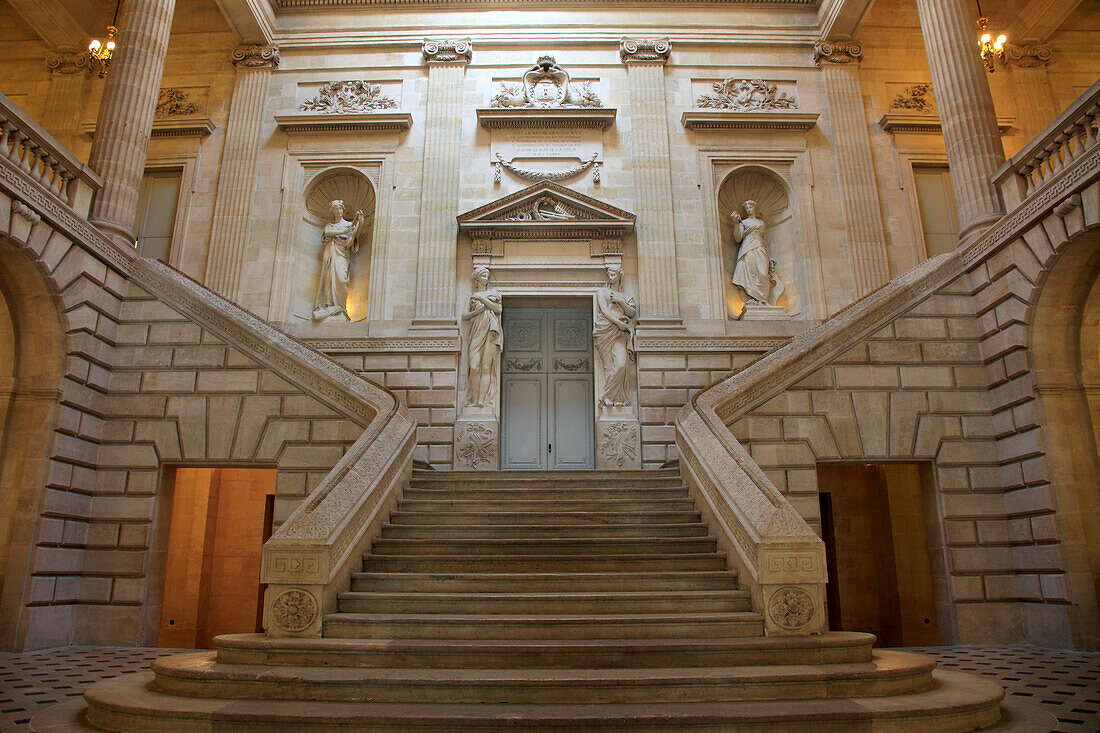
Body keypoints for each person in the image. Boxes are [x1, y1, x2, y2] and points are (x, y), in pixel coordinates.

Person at [593, 265, 637, 407]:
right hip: (605, 331)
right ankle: (611, 400)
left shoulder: (626, 297)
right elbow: (605, 311)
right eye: (609, 274)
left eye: (613, 274)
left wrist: (620, 301)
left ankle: (607, 395)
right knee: (609, 366)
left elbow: (631, 313)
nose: (610, 276)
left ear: (620, 276)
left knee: (621, 364)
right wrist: (619, 323)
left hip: (619, 334)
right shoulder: (602, 292)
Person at [312, 200, 364, 321]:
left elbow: (353, 237)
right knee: (328, 278)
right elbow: (327, 232)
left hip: (342, 255)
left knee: (341, 279)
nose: (338, 212)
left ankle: (340, 306)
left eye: (339, 209)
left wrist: (360, 221)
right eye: (335, 210)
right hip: (331, 253)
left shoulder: (348, 224)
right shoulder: (330, 226)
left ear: (343, 210)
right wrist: (345, 231)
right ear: (332, 212)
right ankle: (328, 304)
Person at [461, 266, 503, 408]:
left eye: (487, 276)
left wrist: (481, 298)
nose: (486, 278)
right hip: (476, 332)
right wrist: (476, 312)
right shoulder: (471, 295)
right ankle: (473, 399)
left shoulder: (492, 293)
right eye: (484, 276)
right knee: (474, 366)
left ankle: (481, 401)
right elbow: (464, 316)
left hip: (491, 334)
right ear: (477, 278)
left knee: (486, 368)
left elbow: (498, 309)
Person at [730, 199, 773, 305]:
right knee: (751, 272)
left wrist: (768, 255)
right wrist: (736, 223)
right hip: (748, 248)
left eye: (751, 207)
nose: (749, 210)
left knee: (763, 273)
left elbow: (763, 239)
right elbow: (738, 238)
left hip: (760, 247)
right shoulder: (743, 222)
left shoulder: (760, 223)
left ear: (754, 208)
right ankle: (753, 299)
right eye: (747, 208)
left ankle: (764, 299)